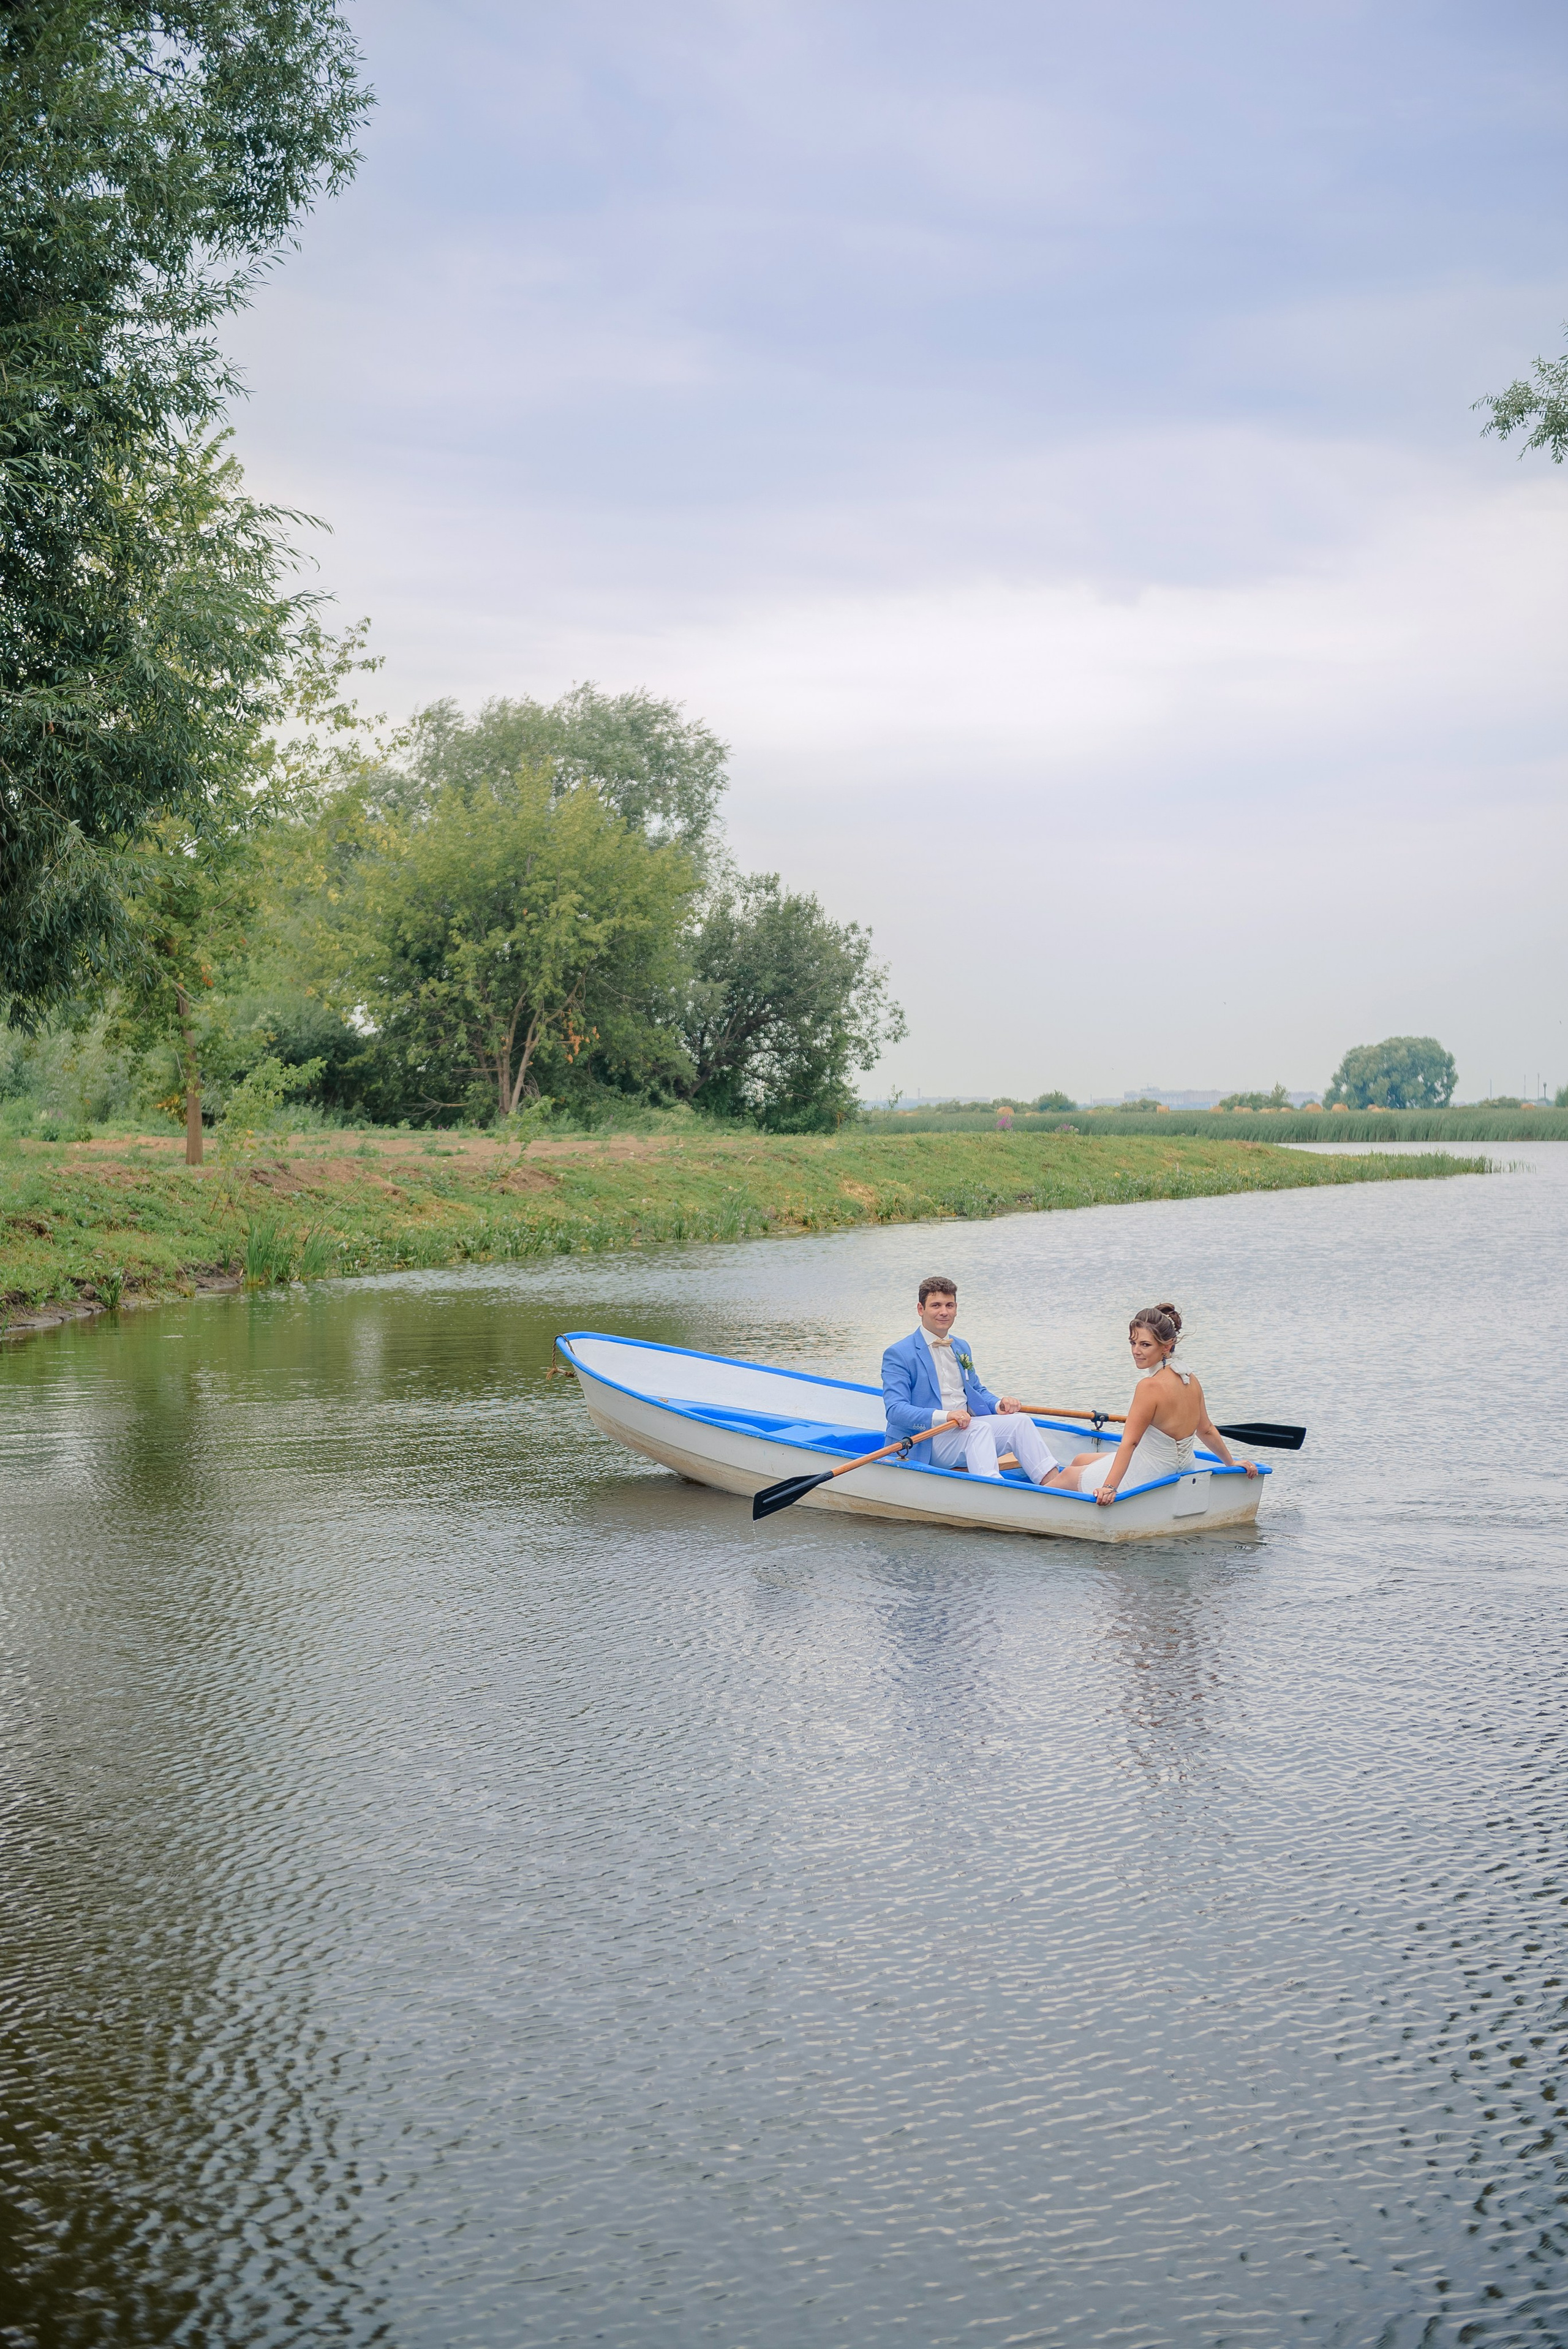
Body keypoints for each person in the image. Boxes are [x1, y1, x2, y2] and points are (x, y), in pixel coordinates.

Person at [1062, 1304, 1260, 1505]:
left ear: (1166, 1346)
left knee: (1068, 1474)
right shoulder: (1190, 1379)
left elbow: (1130, 1442)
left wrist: (1110, 1487)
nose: (1136, 1351)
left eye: (1145, 1345)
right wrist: (1231, 1462)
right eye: (1133, 1343)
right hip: (1183, 1469)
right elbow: (1206, 1429)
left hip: (1150, 1474)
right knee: (1080, 1460)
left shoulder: (1149, 1386)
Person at [882, 1275, 1065, 1486]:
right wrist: (947, 1415)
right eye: (936, 1305)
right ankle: (993, 1490)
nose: (944, 1312)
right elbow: (895, 1411)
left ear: (956, 1308)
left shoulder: (961, 1347)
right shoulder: (899, 1353)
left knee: (1020, 1422)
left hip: (963, 1432)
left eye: (949, 1305)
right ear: (921, 1309)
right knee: (979, 1430)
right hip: (926, 1441)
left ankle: (1055, 1486)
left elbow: (976, 1390)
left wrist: (999, 1404)